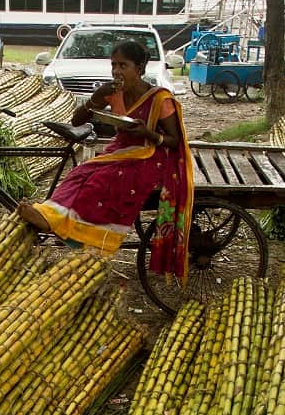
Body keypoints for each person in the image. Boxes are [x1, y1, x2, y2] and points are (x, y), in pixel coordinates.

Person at [18, 40, 193, 281]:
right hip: (120, 150)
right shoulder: (113, 92)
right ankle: (51, 217)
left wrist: (148, 134)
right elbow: (77, 120)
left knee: (102, 180)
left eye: (124, 65)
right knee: (80, 173)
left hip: (151, 155)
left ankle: (91, 241)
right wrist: (96, 97)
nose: (117, 71)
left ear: (140, 67)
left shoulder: (159, 99)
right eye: (114, 65)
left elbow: (174, 140)